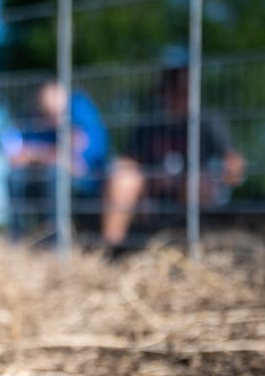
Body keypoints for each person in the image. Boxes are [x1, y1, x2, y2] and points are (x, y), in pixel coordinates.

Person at [101, 66, 246, 252]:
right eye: (176, 90)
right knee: (122, 176)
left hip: (192, 191)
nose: (181, 97)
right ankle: (111, 249)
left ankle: (191, 245)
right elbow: (129, 160)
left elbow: (233, 161)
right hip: (153, 191)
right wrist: (143, 186)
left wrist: (227, 172)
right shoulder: (150, 121)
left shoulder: (208, 121)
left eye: (186, 91)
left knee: (194, 183)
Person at [2, 80, 109, 239]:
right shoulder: (35, 120)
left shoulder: (82, 111)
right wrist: (52, 154)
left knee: (54, 174)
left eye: (57, 114)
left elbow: (77, 166)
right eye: (46, 114)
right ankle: (17, 239)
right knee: (14, 176)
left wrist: (38, 154)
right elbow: (15, 157)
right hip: (39, 181)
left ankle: (55, 241)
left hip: (84, 185)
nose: (52, 120)